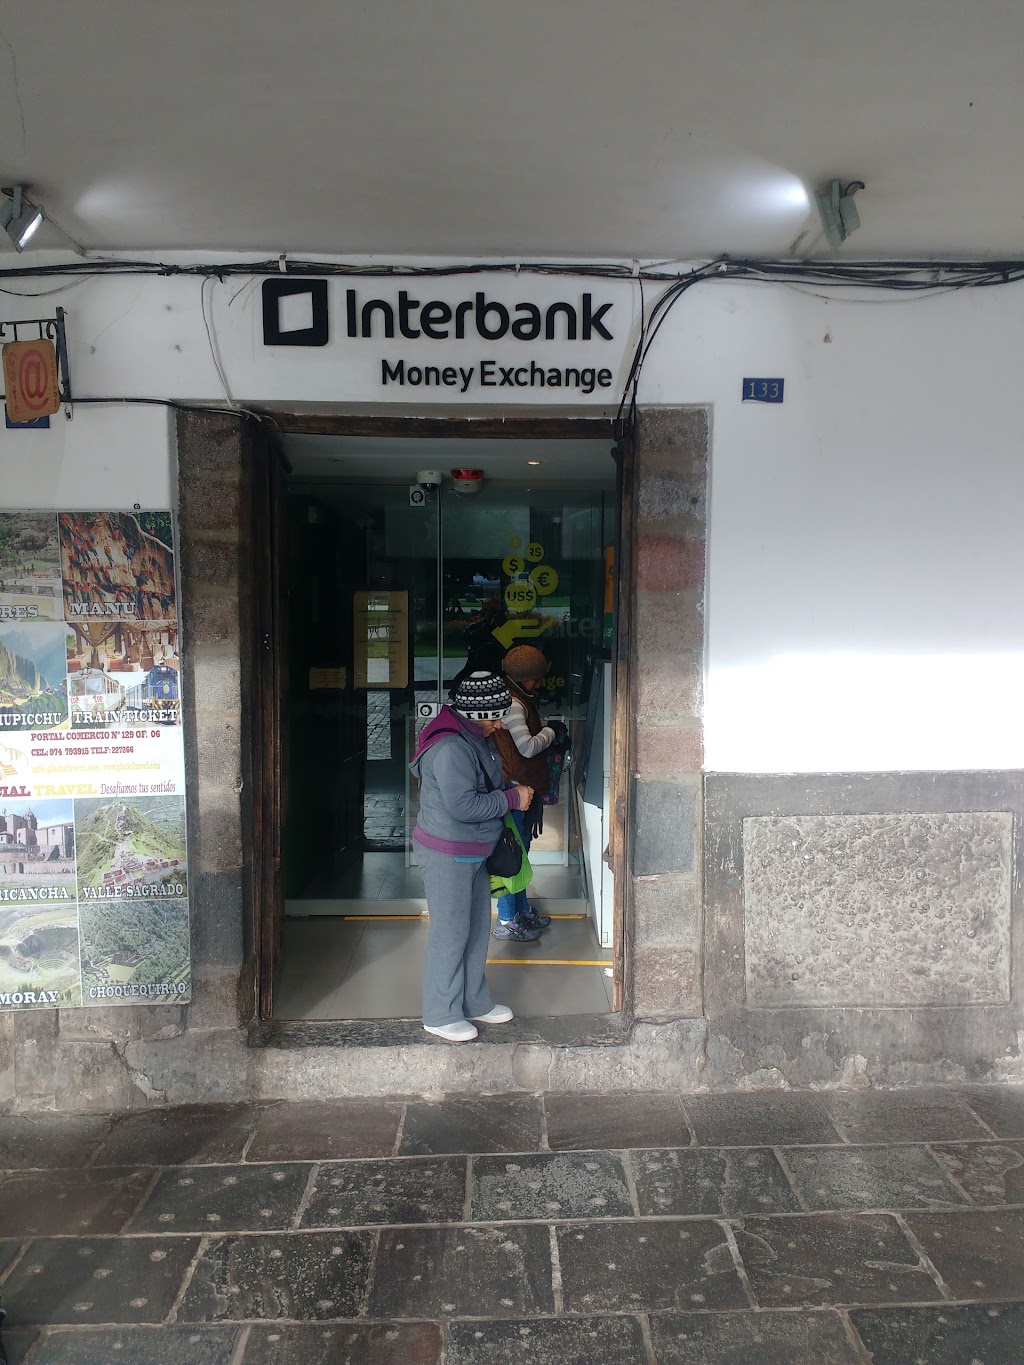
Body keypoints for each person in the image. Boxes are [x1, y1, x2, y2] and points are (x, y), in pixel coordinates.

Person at [410, 671, 534, 1042]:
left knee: (477, 930)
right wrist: (511, 798)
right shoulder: (450, 747)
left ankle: (474, 1001)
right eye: (496, 717)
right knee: (450, 934)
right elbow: (464, 806)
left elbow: (481, 783)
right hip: (448, 851)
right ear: (478, 714)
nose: (500, 725)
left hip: (473, 849)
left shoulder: (473, 736)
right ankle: (440, 1013)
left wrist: (510, 788)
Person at [491, 645, 567, 941]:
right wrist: (551, 730)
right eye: (535, 678)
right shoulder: (514, 704)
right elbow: (527, 747)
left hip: (522, 788)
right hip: (516, 790)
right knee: (513, 855)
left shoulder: (516, 697)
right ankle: (507, 920)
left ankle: (521, 911)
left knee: (520, 854)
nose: (538, 683)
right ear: (524, 678)